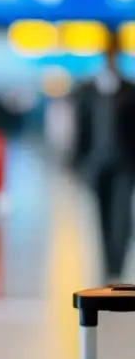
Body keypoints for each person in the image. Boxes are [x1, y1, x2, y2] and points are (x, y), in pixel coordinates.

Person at [71, 36, 135, 280]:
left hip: (125, 164)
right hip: (96, 163)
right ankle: (106, 263)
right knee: (100, 216)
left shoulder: (130, 91)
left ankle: (117, 265)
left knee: (121, 216)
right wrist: (76, 161)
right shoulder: (87, 92)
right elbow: (81, 130)